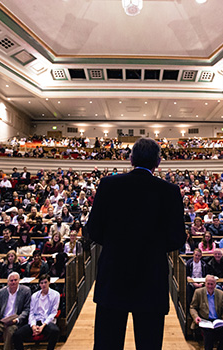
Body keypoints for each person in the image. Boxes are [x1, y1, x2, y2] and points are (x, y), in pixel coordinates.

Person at [87, 138, 186, 350]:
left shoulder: (108, 184)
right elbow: (177, 238)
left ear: (130, 159)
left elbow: (93, 231)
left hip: (113, 276)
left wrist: (116, 244)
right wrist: (154, 246)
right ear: (158, 162)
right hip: (151, 279)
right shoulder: (170, 191)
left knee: (107, 345)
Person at [13, 274, 60, 350]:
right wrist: (33, 326)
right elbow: (31, 312)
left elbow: (53, 313)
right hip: (36, 321)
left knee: (55, 331)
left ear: (49, 282)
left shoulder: (55, 294)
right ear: (39, 284)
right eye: (41, 283)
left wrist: (43, 326)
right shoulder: (35, 295)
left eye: (45, 282)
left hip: (47, 322)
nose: (43, 285)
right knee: (17, 335)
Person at [189, 275, 223, 350]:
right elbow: (193, 307)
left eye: (212, 284)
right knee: (209, 336)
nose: (210, 286)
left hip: (217, 321)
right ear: (205, 284)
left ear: (215, 285)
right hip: (204, 321)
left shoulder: (220, 293)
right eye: (208, 284)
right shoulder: (198, 292)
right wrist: (196, 317)